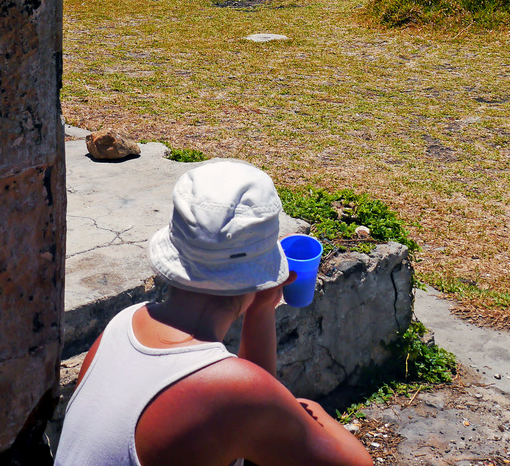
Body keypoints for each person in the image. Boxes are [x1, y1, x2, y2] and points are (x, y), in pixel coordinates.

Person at [55, 159, 372, 466]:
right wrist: (309, 411)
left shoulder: (123, 324)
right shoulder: (235, 393)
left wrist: (261, 308)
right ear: (260, 272)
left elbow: (248, 408)